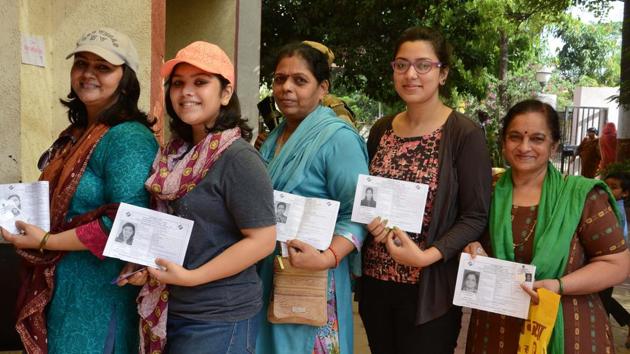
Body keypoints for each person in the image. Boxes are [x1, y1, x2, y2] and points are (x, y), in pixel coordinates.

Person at [1, 27, 158, 353]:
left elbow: (128, 223)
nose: (88, 74)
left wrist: (46, 241)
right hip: (65, 287)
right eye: (82, 64)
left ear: (125, 78)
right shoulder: (77, 132)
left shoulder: (128, 138)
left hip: (99, 291)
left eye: (103, 67)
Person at [118, 41, 277, 354]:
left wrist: (192, 277)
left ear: (225, 93)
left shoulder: (237, 158)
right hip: (172, 307)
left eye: (201, 82)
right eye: (178, 84)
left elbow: (263, 240)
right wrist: (141, 265)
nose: (186, 92)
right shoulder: (172, 155)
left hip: (218, 317)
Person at [357, 26, 492, 354]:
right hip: (377, 283)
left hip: (430, 289)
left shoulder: (464, 134)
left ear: (442, 73)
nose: (410, 74)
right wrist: (370, 220)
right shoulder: (381, 130)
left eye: (423, 65)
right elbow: (371, 194)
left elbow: (475, 215)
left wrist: (425, 257)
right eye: (401, 65)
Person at [464, 99, 630, 354]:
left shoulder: (580, 196)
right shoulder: (486, 189)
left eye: (537, 139)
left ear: (553, 146)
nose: (524, 147)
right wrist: (470, 246)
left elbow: (617, 265)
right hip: (496, 327)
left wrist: (558, 285)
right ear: (504, 142)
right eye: (515, 137)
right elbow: (464, 237)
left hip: (568, 326)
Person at [256, 42, 369, 354]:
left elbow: (359, 213)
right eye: (280, 79)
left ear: (323, 89)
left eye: (299, 80)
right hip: (269, 270)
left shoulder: (338, 139)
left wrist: (328, 257)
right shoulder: (275, 137)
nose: (286, 88)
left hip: (314, 274)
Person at [600, 172, 630, 348]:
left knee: (601, 299)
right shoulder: (608, 205)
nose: (608, 190)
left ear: (625, 193)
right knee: (601, 297)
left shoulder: (614, 211)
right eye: (606, 185)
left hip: (606, 264)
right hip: (604, 264)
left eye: (614, 187)